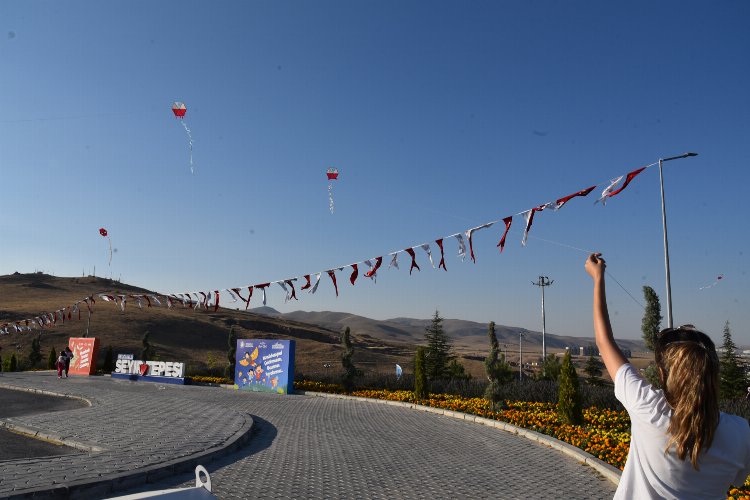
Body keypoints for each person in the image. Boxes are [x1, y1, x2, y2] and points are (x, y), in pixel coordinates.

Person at [585, 253, 750, 499]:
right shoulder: (739, 433)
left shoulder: (648, 408)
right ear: (713, 375)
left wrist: (598, 278)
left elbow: (604, 342)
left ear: (662, 374)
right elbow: (737, 480)